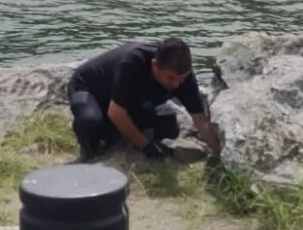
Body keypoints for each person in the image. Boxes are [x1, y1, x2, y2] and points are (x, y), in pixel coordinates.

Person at [68, 38, 221, 162]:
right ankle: (89, 148)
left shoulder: (184, 78)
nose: (176, 85)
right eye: (170, 78)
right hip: (90, 89)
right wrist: (145, 146)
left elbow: (200, 119)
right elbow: (116, 112)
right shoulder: (133, 62)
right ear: (154, 65)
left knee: (168, 129)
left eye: (181, 79)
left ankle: (112, 132)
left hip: (128, 99)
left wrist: (218, 153)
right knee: (90, 120)